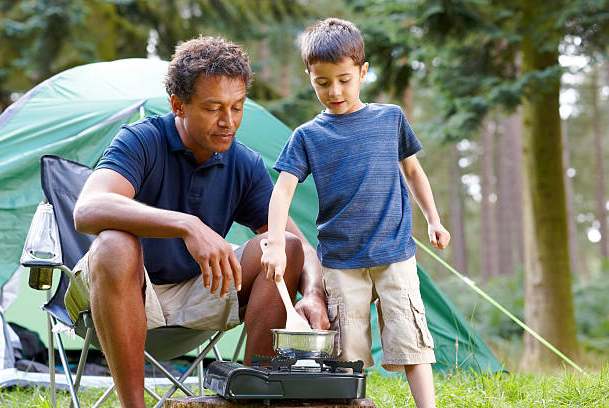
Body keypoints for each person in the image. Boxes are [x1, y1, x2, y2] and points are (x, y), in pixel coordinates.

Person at [65, 35, 329, 408]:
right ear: (178, 105)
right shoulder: (141, 141)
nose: (228, 121)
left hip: (199, 291)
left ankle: (254, 398)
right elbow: (87, 209)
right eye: (213, 108)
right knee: (114, 244)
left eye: (237, 107)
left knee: (281, 246)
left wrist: (314, 293)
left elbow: (298, 245)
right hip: (119, 289)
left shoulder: (244, 163)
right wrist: (188, 225)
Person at [261, 18, 450, 408]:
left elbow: (413, 171)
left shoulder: (390, 119)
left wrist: (433, 218)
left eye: (345, 79)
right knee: (348, 355)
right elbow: (282, 191)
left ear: (363, 73)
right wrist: (276, 243)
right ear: (309, 77)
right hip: (342, 262)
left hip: (395, 253)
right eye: (323, 82)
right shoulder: (308, 136)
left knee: (411, 341)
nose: (335, 91)